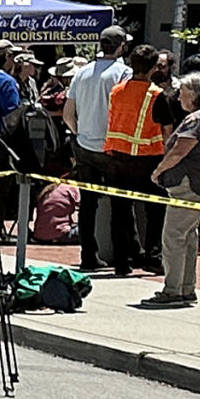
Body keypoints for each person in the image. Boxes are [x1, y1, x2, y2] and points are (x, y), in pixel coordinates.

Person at [142, 72, 200, 309]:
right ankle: (186, 288)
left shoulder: (197, 120)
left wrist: (158, 171)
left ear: (196, 93)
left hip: (188, 185)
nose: (178, 97)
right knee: (187, 237)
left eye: (182, 92)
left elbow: (180, 150)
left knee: (173, 237)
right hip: (197, 184)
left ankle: (172, 290)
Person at [63, 25, 132, 274]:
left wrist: (79, 132)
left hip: (84, 144)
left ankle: (87, 256)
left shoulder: (81, 73)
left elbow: (68, 114)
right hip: (112, 145)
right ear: (122, 46)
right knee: (120, 205)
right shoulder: (123, 73)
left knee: (88, 205)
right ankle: (122, 261)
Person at [97, 43, 168, 276]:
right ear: (153, 68)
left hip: (116, 157)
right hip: (148, 159)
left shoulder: (117, 91)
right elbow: (167, 131)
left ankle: (121, 262)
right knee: (156, 210)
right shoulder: (156, 95)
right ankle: (153, 256)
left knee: (120, 212)